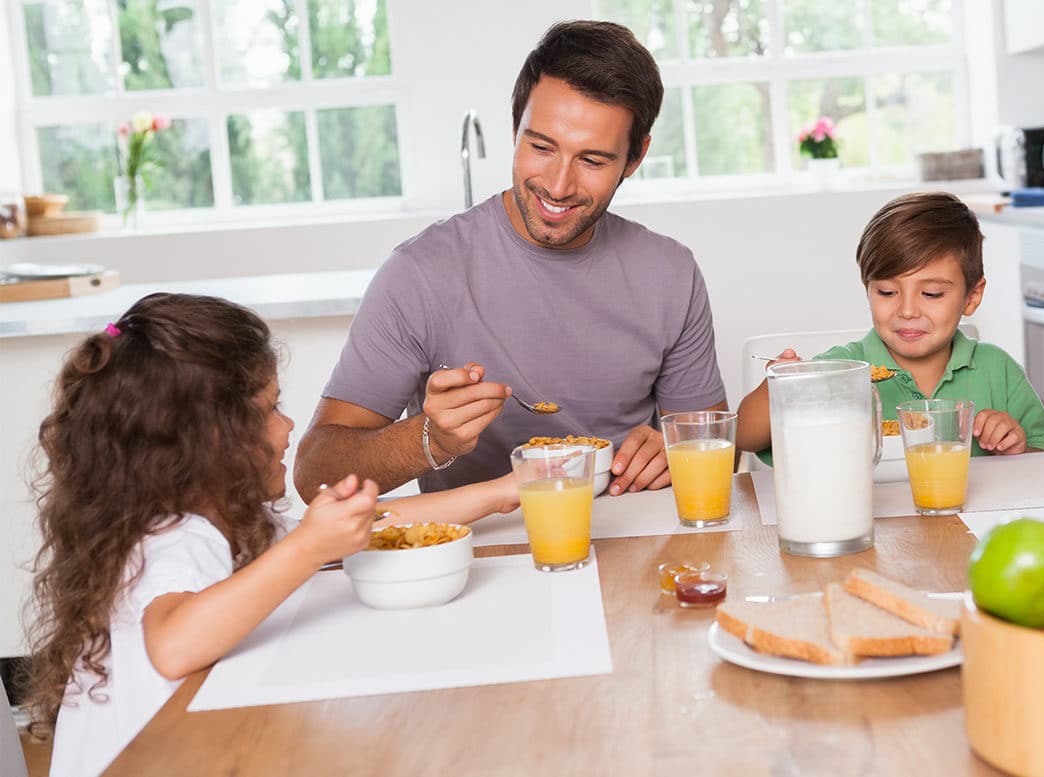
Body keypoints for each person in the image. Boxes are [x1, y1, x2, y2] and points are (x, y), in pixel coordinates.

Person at [24, 294, 519, 777]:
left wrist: (503, 491)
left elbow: (372, 519)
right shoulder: (172, 535)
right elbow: (174, 645)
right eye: (269, 409)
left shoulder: (235, 519)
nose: (288, 425)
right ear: (209, 438)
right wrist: (308, 549)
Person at [294, 20, 727, 501]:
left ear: (634, 158)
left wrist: (676, 448)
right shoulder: (419, 275)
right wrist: (429, 440)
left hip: (633, 540)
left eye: (593, 160)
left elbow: (709, 442)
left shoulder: (669, 273)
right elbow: (315, 477)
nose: (558, 186)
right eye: (541, 147)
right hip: (485, 552)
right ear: (515, 127)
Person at [737, 192, 1044, 459]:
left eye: (931, 293)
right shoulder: (839, 374)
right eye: (887, 292)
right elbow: (745, 438)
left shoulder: (998, 371)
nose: (906, 310)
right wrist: (778, 389)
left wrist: (1016, 450)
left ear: (971, 297)